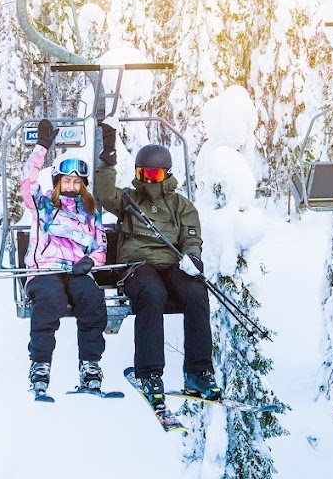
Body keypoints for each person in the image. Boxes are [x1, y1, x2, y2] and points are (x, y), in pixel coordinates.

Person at [93, 121, 220, 405]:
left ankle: (198, 371)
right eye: (144, 174)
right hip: (137, 265)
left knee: (196, 293)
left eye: (155, 174)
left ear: (166, 174)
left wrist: (193, 257)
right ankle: (149, 372)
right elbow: (103, 192)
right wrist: (108, 157)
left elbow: (191, 236)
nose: (150, 180)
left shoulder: (181, 205)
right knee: (152, 293)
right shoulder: (128, 199)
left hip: (172, 263)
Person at [20, 120, 109, 397]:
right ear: (58, 182)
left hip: (76, 272)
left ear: (83, 185)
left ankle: (90, 365)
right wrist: (41, 148)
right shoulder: (43, 205)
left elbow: (100, 246)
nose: (71, 186)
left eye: (77, 182)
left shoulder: (91, 214)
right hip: (46, 272)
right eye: (66, 181)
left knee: (92, 299)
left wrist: (91, 261)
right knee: (51, 300)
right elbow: (27, 182)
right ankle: (40, 364)